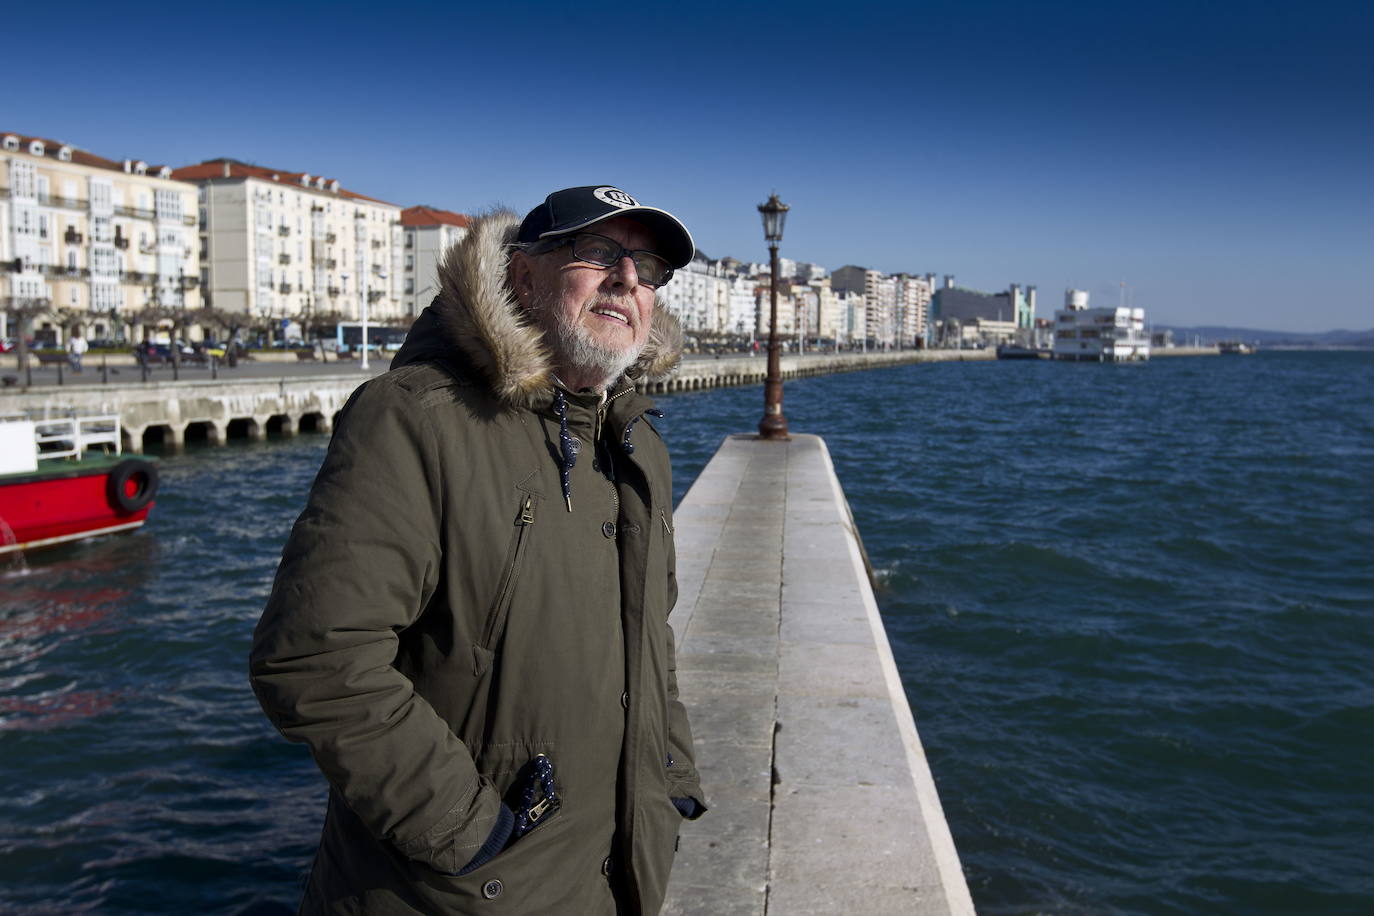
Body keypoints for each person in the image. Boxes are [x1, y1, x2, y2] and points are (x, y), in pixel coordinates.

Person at [250, 186, 706, 914]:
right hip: (457, 891)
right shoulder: (417, 419)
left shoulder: (635, 443)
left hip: (617, 875)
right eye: (597, 254)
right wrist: (467, 828)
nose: (628, 279)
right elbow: (316, 658)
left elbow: (652, 636)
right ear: (522, 277)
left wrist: (671, 776)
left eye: (648, 267)